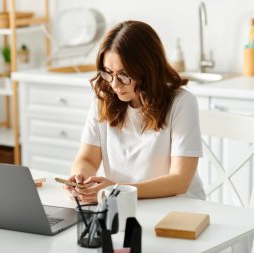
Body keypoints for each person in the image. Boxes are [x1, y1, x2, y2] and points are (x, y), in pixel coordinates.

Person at [64, 20, 205, 203]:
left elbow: (180, 181)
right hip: (125, 205)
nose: (114, 84)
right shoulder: (103, 99)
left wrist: (117, 190)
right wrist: (79, 179)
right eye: (108, 73)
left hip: (180, 208)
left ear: (147, 69)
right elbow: (88, 158)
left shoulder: (182, 103)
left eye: (124, 75)